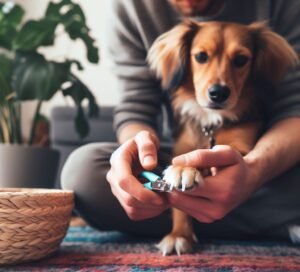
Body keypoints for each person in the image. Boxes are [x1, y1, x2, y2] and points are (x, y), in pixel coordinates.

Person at [61, 0, 300, 241]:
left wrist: (254, 172)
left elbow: (295, 108)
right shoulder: (131, 7)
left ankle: (187, 217)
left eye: (238, 61)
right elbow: (136, 108)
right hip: (171, 162)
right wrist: (136, 154)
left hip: (271, 166)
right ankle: (267, 225)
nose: (219, 81)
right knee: (82, 173)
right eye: (202, 57)